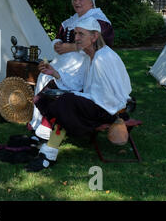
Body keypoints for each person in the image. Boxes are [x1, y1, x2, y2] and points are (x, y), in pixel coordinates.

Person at [25, 17, 132, 172]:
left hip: (110, 109)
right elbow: (82, 84)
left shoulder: (104, 58)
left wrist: (73, 95)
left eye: (81, 34)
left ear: (94, 37)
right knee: (51, 94)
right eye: (75, 34)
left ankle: (48, 153)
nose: (76, 38)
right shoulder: (91, 56)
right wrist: (55, 73)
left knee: (66, 101)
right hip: (98, 103)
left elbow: (108, 97)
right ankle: (48, 151)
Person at [29, 0, 115, 141]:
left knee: (53, 86)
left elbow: (101, 45)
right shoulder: (70, 21)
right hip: (64, 64)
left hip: (84, 67)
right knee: (45, 77)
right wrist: (58, 45)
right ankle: (41, 124)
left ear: (91, 2)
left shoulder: (99, 21)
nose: (77, 2)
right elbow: (58, 37)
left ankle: (51, 127)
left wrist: (72, 47)